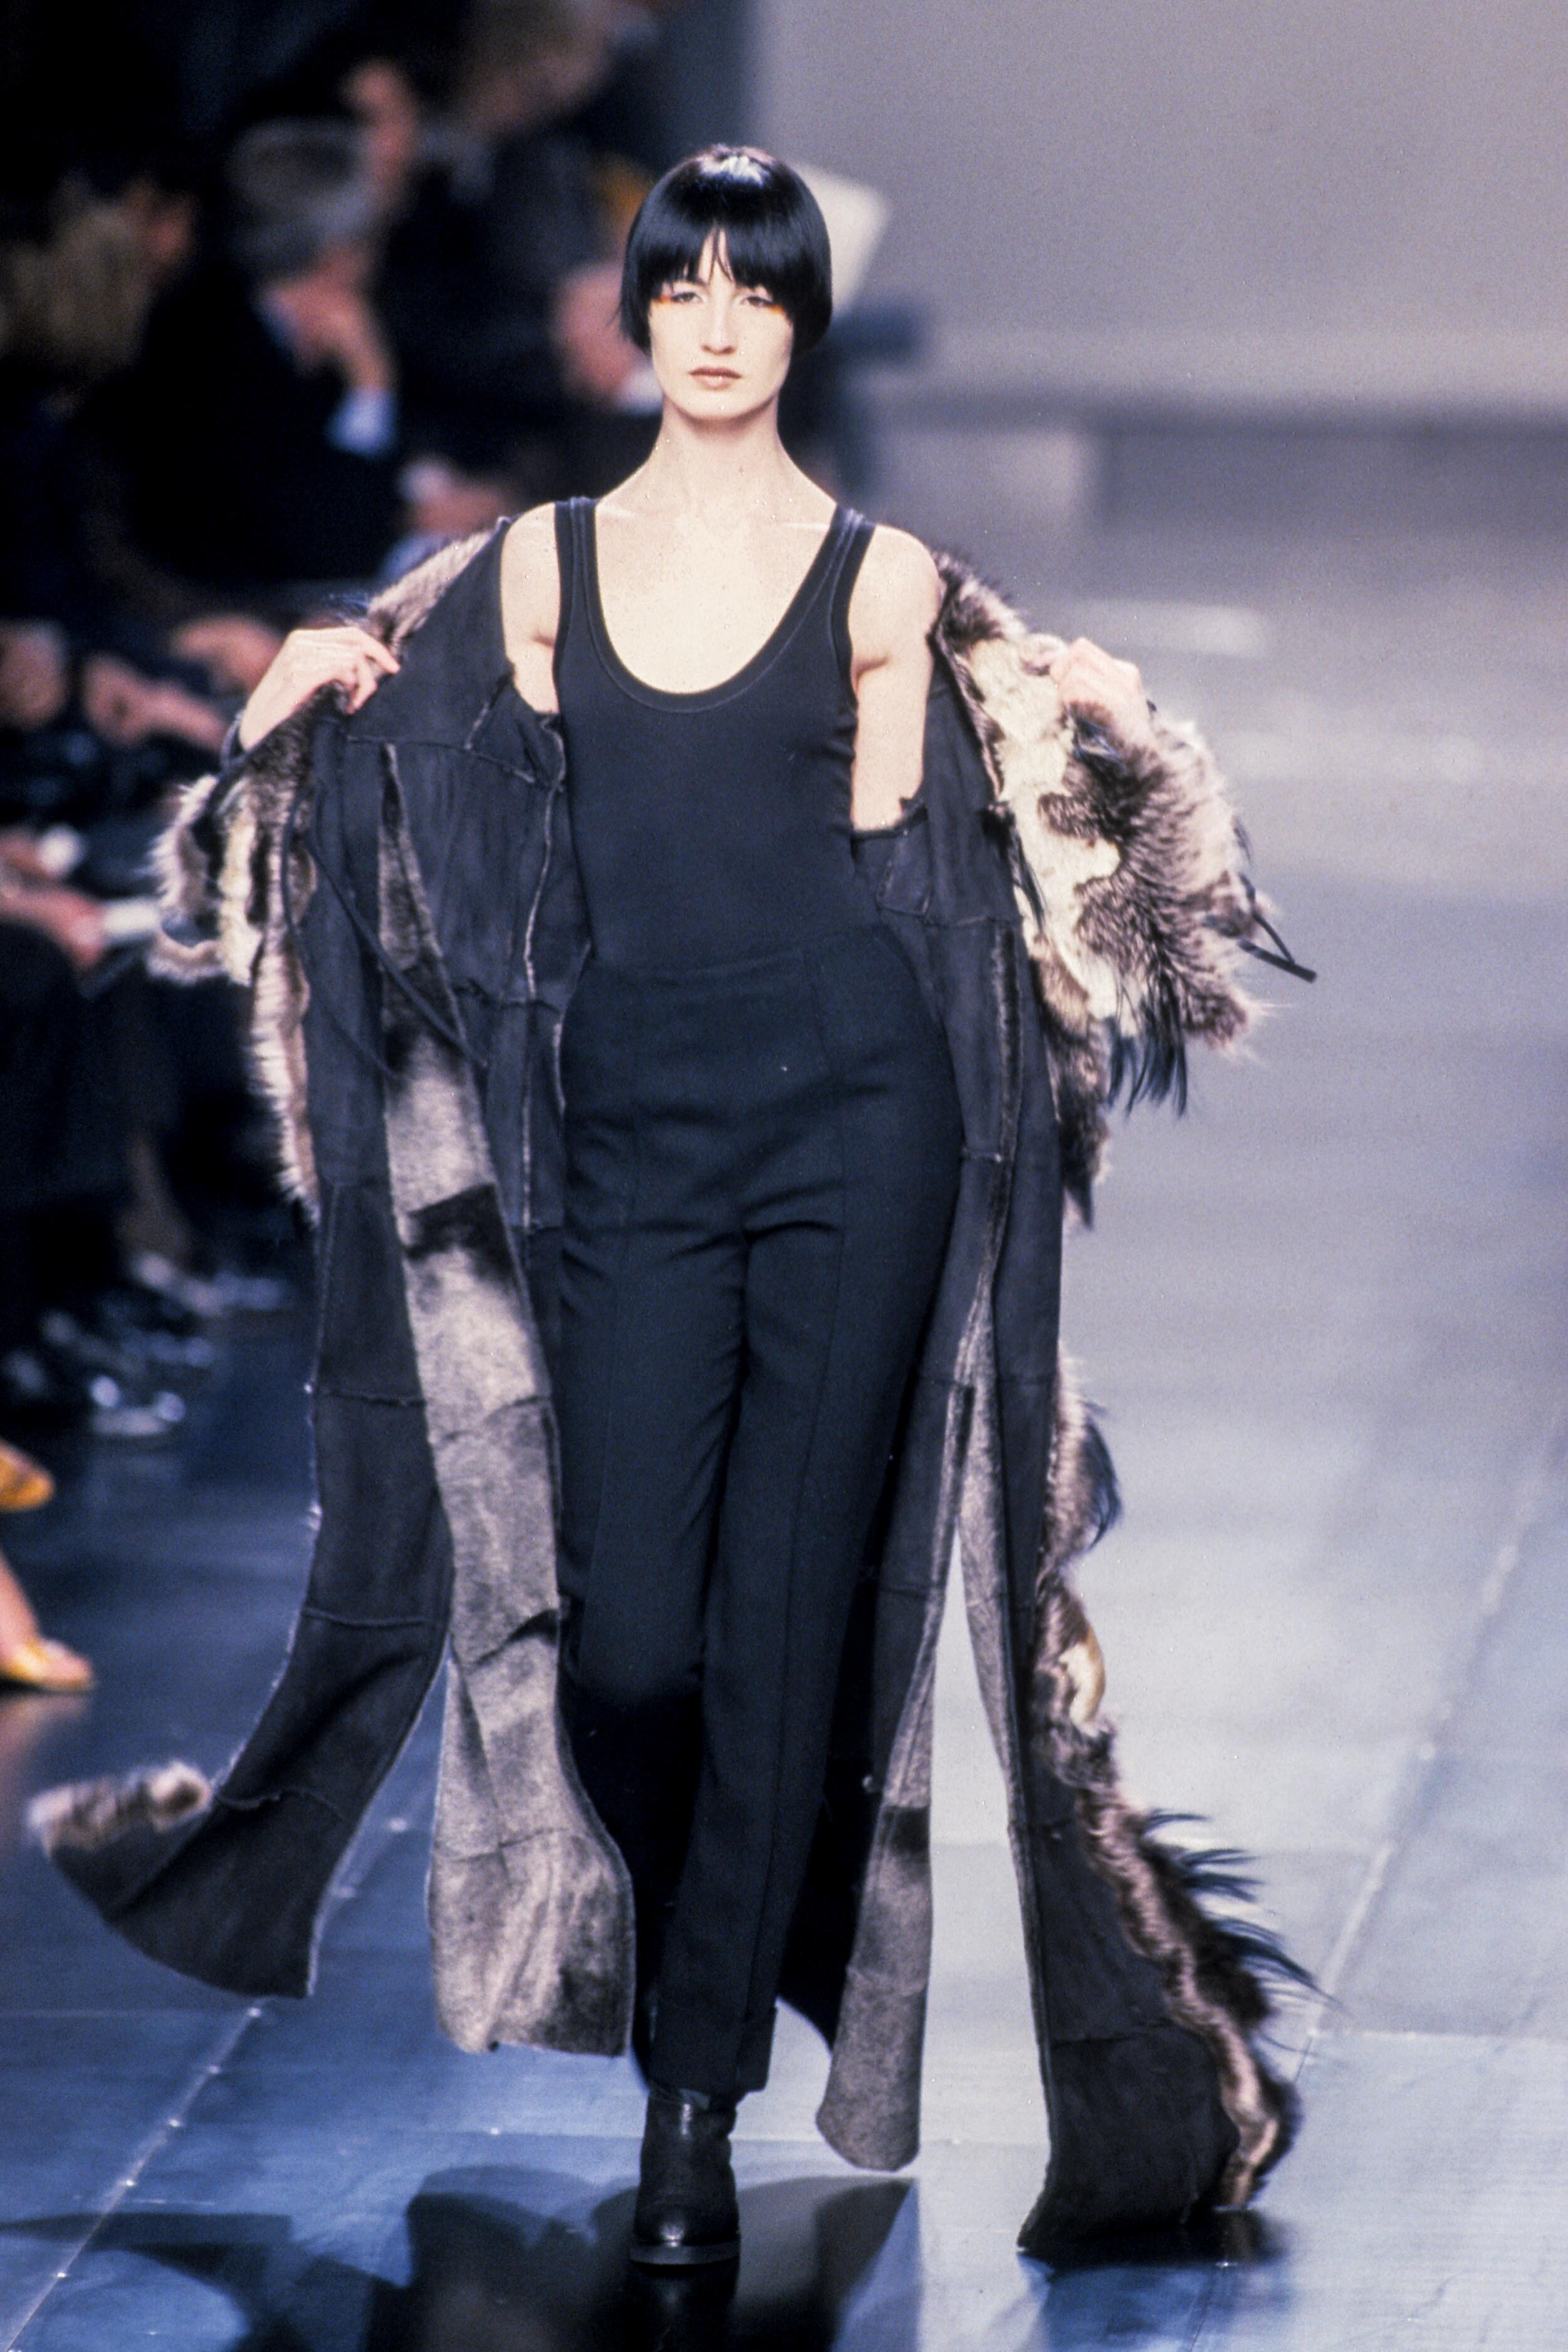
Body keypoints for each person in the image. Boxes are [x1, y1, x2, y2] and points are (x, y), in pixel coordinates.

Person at [36, 150, 1309, 2266]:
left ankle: (692, 2109)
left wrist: (1099, 737)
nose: (718, 327)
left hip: (856, 1131)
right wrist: (280, 726)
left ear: (802, 323)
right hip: (631, 1139)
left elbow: (942, 873)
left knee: (786, 1621)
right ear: (640, 313)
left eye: (757, 291)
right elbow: (421, 787)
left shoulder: (883, 585)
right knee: (625, 1640)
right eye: (684, 288)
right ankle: (724, 1941)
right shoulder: (531, 572)